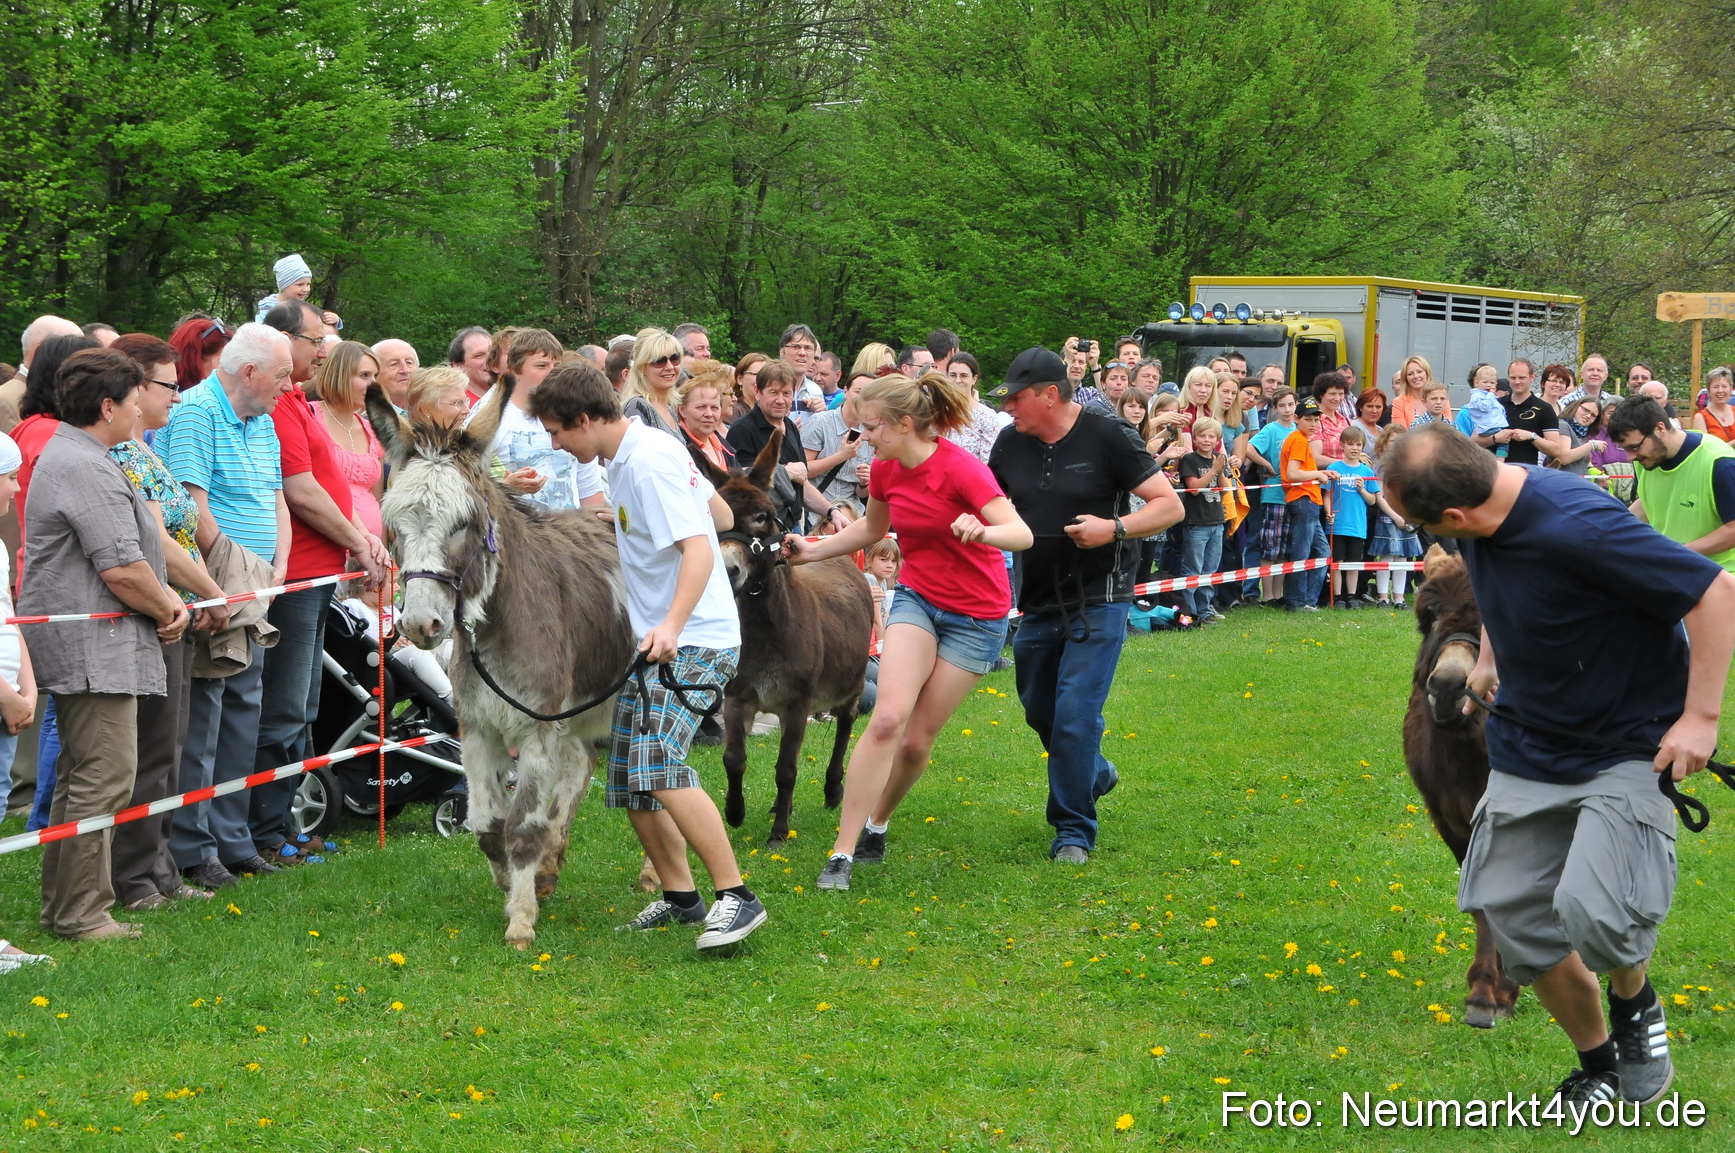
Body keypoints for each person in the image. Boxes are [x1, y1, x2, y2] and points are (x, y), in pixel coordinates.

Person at [1382, 421, 1735, 1108]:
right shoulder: (1476, 517)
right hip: (1527, 744)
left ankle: (1634, 999)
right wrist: (1488, 654)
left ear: (1455, 512)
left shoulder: (1578, 523)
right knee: (1511, 916)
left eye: (1424, 522)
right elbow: (1497, 584)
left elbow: (1715, 592)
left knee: (1595, 913)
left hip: (1623, 744)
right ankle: (1598, 1061)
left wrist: (1699, 718)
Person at [528, 360, 767, 950]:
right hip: (664, 637)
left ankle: (736, 898)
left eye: (559, 432)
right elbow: (720, 515)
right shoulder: (639, 454)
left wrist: (672, 624)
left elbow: (700, 549)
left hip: (694, 639)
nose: (556, 444)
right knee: (632, 778)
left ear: (586, 419)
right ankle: (681, 898)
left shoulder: (649, 462)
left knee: (659, 764)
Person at [791, 371, 1030, 890]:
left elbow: (1021, 533)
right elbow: (872, 530)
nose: (865, 435)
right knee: (887, 718)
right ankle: (843, 851)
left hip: (976, 616)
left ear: (904, 423)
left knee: (917, 740)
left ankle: (879, 821)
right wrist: (812, 549)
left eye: (872, 426)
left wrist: (982, 530)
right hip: (919, 599)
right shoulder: (885, 468)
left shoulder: (961, 469)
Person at [988, 348, 1183, 863]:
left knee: (1075, 713)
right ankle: (1094, 772)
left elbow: (1169, 505)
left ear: (1050, 394)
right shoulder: (1010, 443)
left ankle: (1072, 831)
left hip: (1102, 595)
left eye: (1017, 397)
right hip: (1038, 599)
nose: (1008, 406)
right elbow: (988, 504)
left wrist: (1113, 528)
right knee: (1039, 709)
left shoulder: (1108, 436)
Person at [22, 350, 190, 938]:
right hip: (94, 649)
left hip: (98, 644)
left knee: (85, 776)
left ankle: (66, 906)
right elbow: (121, 567)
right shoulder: (84, 464)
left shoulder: (82, 455)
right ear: (109, 405)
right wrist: (169, 605)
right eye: (135, 393)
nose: (145, 402)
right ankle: (82, 913)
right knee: (105, 775)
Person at [156, 323, 294, 887]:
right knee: (206, 713)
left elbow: (277, 498)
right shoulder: (193, 412)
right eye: (283, 375)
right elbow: (192, 508)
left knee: (245, 709)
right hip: (217, 579)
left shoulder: (264, 421)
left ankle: (233, 839)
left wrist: (277, 569)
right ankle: (194, 844)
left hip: (258, 581)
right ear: (250, 372)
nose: (290, 385)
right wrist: (236, 572)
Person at [105, 335, 230, 906]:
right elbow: (158, 542)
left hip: (178, 610)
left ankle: (159, 868)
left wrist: (198, 594)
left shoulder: (147, 448)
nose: (177, 397)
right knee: (151, 751)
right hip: (157, 616)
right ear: (133, 388)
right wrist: (208, 591)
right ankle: (133, 877)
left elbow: (179, 532)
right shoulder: (123, 458)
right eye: (168, 386)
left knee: (170, 748)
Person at [471, 329, 606, 512]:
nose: (552, 373)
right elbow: (468, 489)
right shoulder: (488, 416)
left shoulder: (571, 411)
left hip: (570, 533)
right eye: (542, 366)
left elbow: (589, 487)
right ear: (516, 370)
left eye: (556, 365)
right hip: (516, 534)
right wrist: (505, 487)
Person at [1607, 395, 1735, 571]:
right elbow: (1649, 501)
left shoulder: (1719, 462)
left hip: (1719, 574)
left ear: (1660, 428)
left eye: (1634, 447)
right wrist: (1611, 528)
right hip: (1671, 568)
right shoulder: (1646, 459)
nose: (1631, 457)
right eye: (1626, 449)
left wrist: (1678, 552)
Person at [724, 359, 847, 533]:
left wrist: (831, 511)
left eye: (786, 393)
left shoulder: (790, 427)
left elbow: (801, 484)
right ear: (758, 392)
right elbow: (741, 482)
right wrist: (785, 471)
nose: (780, 400)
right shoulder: (742, 430)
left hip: (792, 526)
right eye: (773, 392)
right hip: (760, 532)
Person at [309, 339, 388, 537]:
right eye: (364, 375)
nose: (373, 385)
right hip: (325, 542)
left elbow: (377, 500)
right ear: (340, 376)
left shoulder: (372, 429)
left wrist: (384, 554)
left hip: (371, 553)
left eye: (375, 376)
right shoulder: (309, 417)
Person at [1243, 388, 1298, 604]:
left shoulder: (1297, 431)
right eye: (1282, 405)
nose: (1287, 409)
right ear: (1274, 408)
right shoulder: (1271, 430)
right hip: (1273, 495)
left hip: (1292, 496)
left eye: (1290, 405)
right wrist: (1266, 464)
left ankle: (1279, 593)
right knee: (1270, 547)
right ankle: (1267, 595)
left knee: (1284, 548)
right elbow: (1249, 448)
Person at [1280, 396, 1333, 611]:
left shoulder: (1299, 439)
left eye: (1316, 420)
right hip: (1302, 499)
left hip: (1309, 501)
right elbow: (1293, 473)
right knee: (1301, 553)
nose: (1313, 424)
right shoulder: (1299, 439)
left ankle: (1308, 601)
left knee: (1322, 552)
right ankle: (1296, 601)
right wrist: (1319, 474)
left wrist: (1320, 473)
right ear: (1297, 418)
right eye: (1308, 419)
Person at [1176, 418, 1228, 624]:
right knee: (1193, 570)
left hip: (1216, 521)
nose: (1206, 440)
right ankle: (1189, 611)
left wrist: (1220, 470)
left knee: (1210, 570)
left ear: (1217, 439)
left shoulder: (1218, 459)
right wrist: (1213, 471)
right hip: (1196, 523)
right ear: (1195, 438)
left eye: (1211, 436)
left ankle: (1205, 610)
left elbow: (1224, 490)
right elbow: (1195, 488)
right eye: (1202, 436)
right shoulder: (1190, 459)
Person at [801, 370, 875, 514]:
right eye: (858, 391)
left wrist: (864, 482)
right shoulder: (820, 423)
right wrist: (841, 456)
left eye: (870, 395)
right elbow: (803, 470)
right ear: (845, 391)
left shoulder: (871, 432)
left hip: (853, 514)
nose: (863, 399)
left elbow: (862, 494)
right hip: (817, 512)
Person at [1325, 425, 1379, 605]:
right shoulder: (1334, 468)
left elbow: (1372, 501)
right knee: (1337, 562)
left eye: (1358, 444)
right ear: (1342, 445)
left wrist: (1362, 489)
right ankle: (1338, 596)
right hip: (1337, 524)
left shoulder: (1366, 471)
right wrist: (1328, 513)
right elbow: (1327, 494)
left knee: (1354, 563)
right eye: (1350, 444)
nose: (1354, 448)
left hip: (1357, 525)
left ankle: (1352, 596)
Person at [1368, 423, 1420, 608]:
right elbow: (1379, 496)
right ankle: (1383, 596)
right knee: (1386, 557)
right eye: (1391, 441)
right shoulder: (1380, 466)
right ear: (1384, 443)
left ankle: (1399, 598)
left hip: (1406, 517)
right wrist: (1395, 516)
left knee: (1403, 558)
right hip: (1387, 517)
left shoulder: (1409, 466)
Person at [0, 315, 82, 432]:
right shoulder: (5, 401)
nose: (84, 362)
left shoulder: (67, 396)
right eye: (75, 353)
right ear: (41, 351)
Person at [1476, 358, 1555, 466]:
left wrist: (1532, 436)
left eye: (1522, 378)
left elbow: (1556, 450)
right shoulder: (1494, 404)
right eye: (1513, 378)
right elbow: (1474, 441)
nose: (1517, 382)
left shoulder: (1544, 408)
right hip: (1493, 474)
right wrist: (1495, 438)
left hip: (1525, 476)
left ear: (1532, 377)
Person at [620, 328, 685, 438]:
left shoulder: (670, 410)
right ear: (642, 368)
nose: (669, 367)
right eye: (659, 361)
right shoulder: (638, 407)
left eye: (674, 358)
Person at [941, 353, 1003, 463]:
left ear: (974, 379)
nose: (958, 380)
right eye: (953, 375)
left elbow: (988, 461)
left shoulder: (986, 416)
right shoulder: (937, 412)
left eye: (964, 375)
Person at [677, 370, 736, 472]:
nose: (709, 414)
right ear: (682, 411)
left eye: (714, 408)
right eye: (701, 407)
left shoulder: (725, 447)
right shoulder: (677, 447)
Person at [406, 365, 471, 428]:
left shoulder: (466, 437)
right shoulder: (405, 439)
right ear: (426, 410)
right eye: (458, 403)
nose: (467, 410)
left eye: (466, 401)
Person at [1391, 355, 1442, 427]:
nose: (1416, 376)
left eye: (1419, 371)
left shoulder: (1440, 399)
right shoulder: (1399, 402)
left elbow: (1448, 430)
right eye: (1410, 374)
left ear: (1427, 373)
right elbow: (1399, 434)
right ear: (1406, 378)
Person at [447, 326, 493, 404]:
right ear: (459, 366)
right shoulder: (457, 405)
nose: (489, 360)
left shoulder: (511, 396)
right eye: (479, 356)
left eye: (492, 353)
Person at [372, 339, 419, 412]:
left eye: (409, 362)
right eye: (394, 364)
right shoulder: (364, 421)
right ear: (374, 374)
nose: (405, 370)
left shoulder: (435, 413)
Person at [1692, 366, 1735, 442]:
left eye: (1724, 386)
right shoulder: (1701, 417)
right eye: (1715, 387)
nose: (1720, 390)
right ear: (1708, 390)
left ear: (1731, 389)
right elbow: (1705, 449)